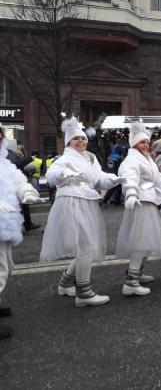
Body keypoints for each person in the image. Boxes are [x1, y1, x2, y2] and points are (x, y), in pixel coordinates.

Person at [41, 117, 124, 308]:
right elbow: (52, 175)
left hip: (87, 201)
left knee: (85, 248)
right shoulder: (65, 158)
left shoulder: (91, 157)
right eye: (76, 139)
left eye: (83, 138)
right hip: (72, 202)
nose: (81, 141)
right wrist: (64, 175)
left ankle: (65, 283)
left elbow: (99, 179)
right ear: (69, 142)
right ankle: (84, 294)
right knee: (86, 248)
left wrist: (115, 179)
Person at [116, 122, 161, 296]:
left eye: (147, 142)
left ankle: (135, 273)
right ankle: (131, 283)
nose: (146, 145)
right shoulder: (131, 160)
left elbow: (158, 178)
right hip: (140, 202)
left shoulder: (147, 158)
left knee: (146, 241)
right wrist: (130, 194)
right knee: (141, 242)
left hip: (149, 201)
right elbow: (129, 177)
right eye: (142, 142)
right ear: (134, 143)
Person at [0, 124, 45, 339]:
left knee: (7, 267)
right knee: (0, 270)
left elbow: (19, 182)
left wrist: (27, 193)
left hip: (6, 224)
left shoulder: (5, 164)